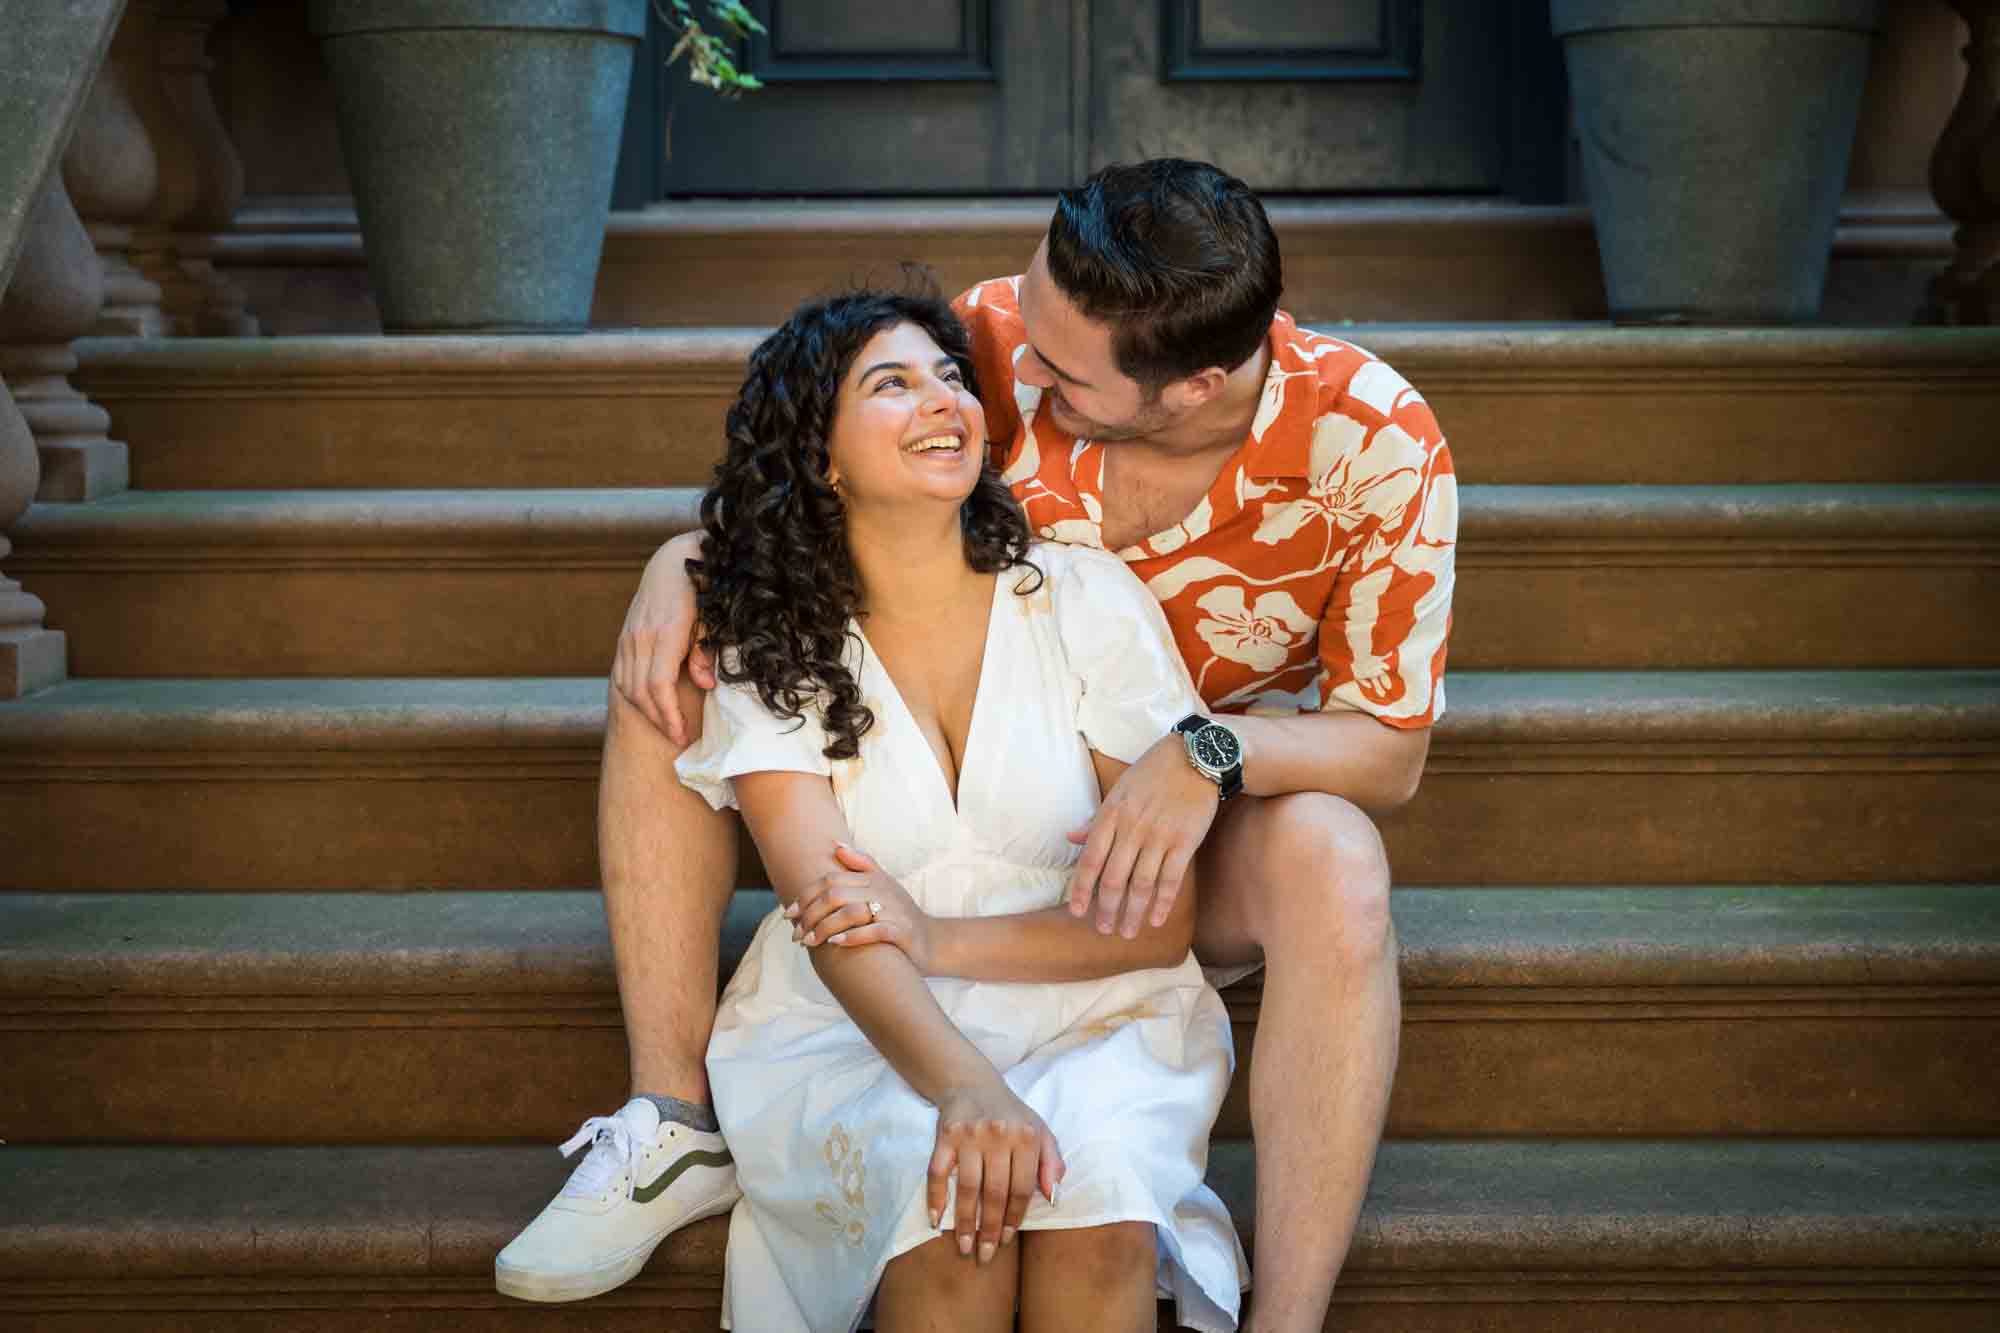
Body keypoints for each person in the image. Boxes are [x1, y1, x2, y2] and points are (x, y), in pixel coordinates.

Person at [503, 158, 1457, 1333]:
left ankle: (1289, 1318)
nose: (1011, 373)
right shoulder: (1010, 336)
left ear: (1188, 385)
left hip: (1189, 829)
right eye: (1010, 338)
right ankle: (669, 1111)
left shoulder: (1371, 444)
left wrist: (1206, 753)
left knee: (1338, 854)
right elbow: (818, 456)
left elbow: (1389, 751)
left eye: (1055, 372)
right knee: (671, 671)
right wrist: (683, 567)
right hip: (954, 798)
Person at [508, 288, 1247, 1332]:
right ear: (823, 457)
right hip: (857, 1025)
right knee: (951, 1223)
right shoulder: (775, 649)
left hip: (1099, 1015)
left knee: (1099, 1218)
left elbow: (1156, 920)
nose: (940, 398)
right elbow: (832, 913)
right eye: (889, 384)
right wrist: (963, 1085)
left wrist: (938, 935)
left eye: (950, 375)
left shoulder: (1083, 600)